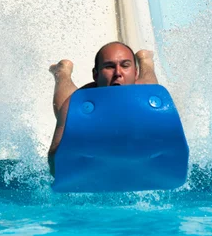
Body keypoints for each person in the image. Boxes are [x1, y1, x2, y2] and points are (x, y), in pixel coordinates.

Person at [47, 41, 158, 175]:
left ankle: (144, 60)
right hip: (89, 101)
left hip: (139, 93)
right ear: (96, 75)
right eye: (109, 66)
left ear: (135, 74)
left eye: (125, 65)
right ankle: (62, 72)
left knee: (149, 89)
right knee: (65, 110)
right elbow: (54, 160)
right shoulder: (75, 103)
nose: (118, 72)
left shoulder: (147, 97)